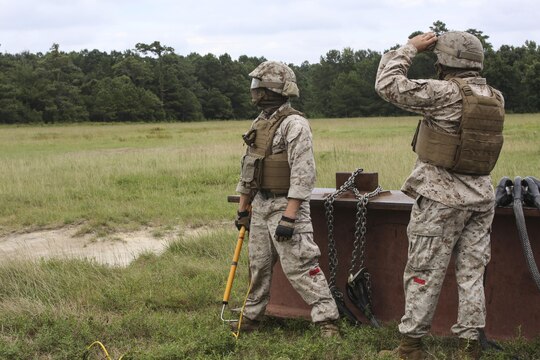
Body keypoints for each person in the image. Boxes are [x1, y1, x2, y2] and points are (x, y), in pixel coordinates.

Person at [375, 31, 505, 359]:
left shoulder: (444, 92)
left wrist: (409, 48)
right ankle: (469, 346)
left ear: (444, 61)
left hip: (440, 199)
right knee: (472, 273)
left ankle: (411, 346)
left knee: (423, 271)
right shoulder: (495, 96)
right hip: (481, 197)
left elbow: (387, 84)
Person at [232, 60, 340, 337]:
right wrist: (244, 207)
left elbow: (304, 174)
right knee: (258, 266)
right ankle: (252, 317)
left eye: (259, 86)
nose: (254, 91)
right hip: (261, 205)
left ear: (274, 90)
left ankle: (327, 321)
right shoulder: (260, 123)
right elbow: (249, 169)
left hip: (285, 206)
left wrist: (289, 216)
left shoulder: (295, 124)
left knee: (302, 266)